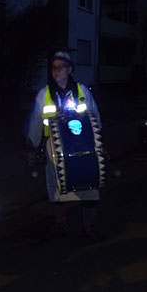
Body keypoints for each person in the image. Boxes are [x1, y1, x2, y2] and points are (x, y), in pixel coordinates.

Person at [26, 51, 105, 241]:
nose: (57, 71)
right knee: (56, 188)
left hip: (83, 145)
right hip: (54, 148)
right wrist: (32, 147)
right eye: (54, 67)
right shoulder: (44, 94)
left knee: (89, 185)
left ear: (69, 69)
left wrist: (98, 142)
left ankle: (89, 226)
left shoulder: (82, 91)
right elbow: (35, 123)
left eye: (61, 67)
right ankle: (60, 224)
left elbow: (95, 118)